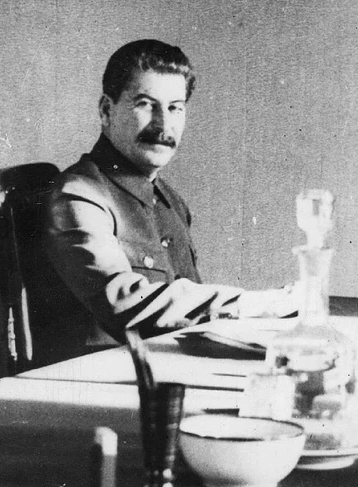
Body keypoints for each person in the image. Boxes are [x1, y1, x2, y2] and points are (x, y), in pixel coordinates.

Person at [43, 39, 294, 352]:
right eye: (145, 104)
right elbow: (125, 304)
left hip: (167, 364)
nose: (163, 125)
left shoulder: (169, 200)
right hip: (100, 373)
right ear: (107, 111)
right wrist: (258, 304)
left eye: (175, 108)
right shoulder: (80, 195)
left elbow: (192, 317)